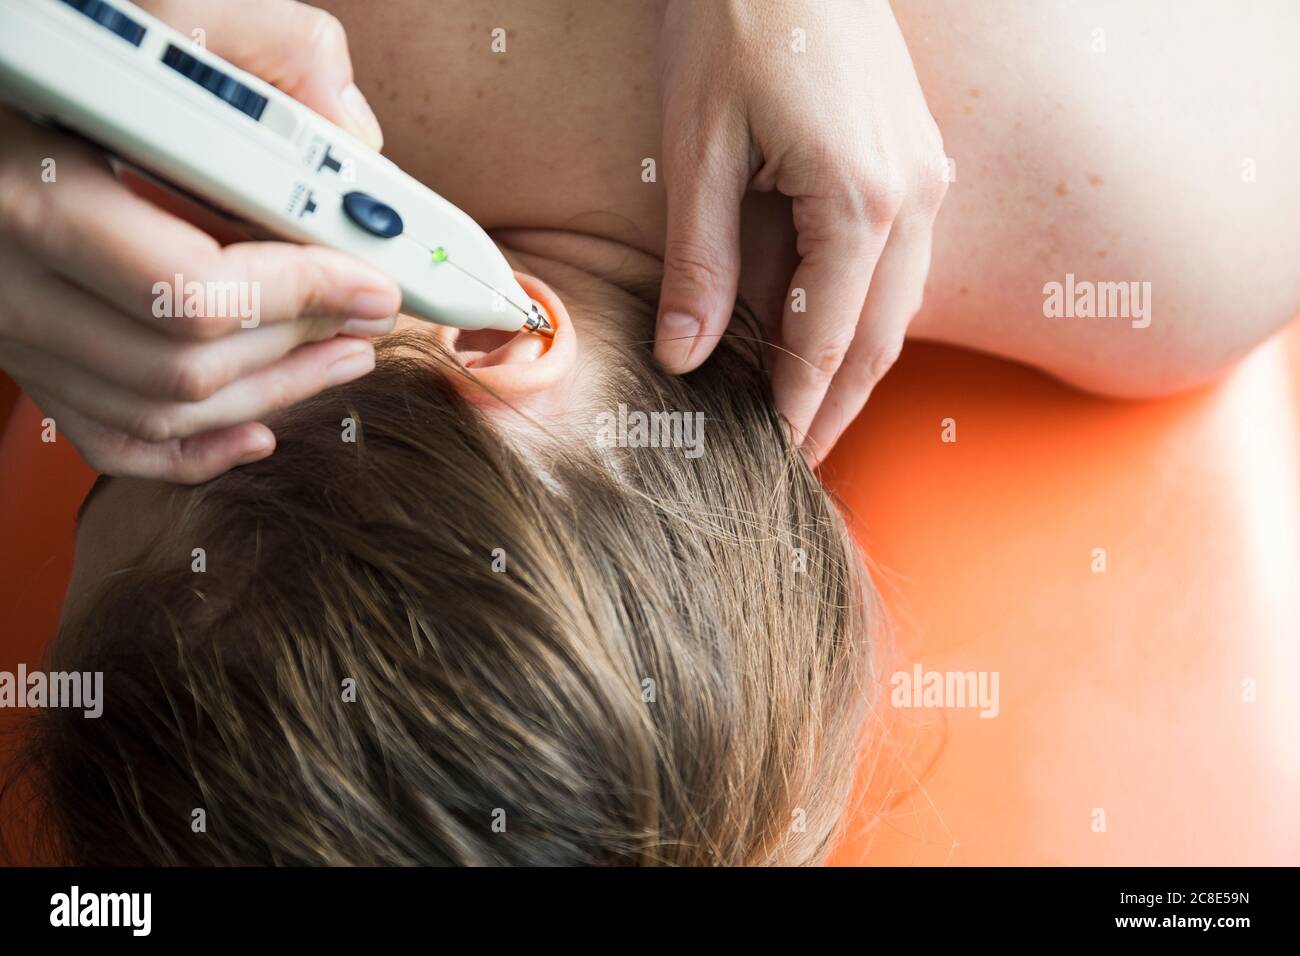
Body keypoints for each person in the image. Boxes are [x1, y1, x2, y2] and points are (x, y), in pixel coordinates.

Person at [3, 0, 1296, 864]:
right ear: (495, 339)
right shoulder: (1156, 204)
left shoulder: (1184, 230)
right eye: (156, 433)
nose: (83, 389)